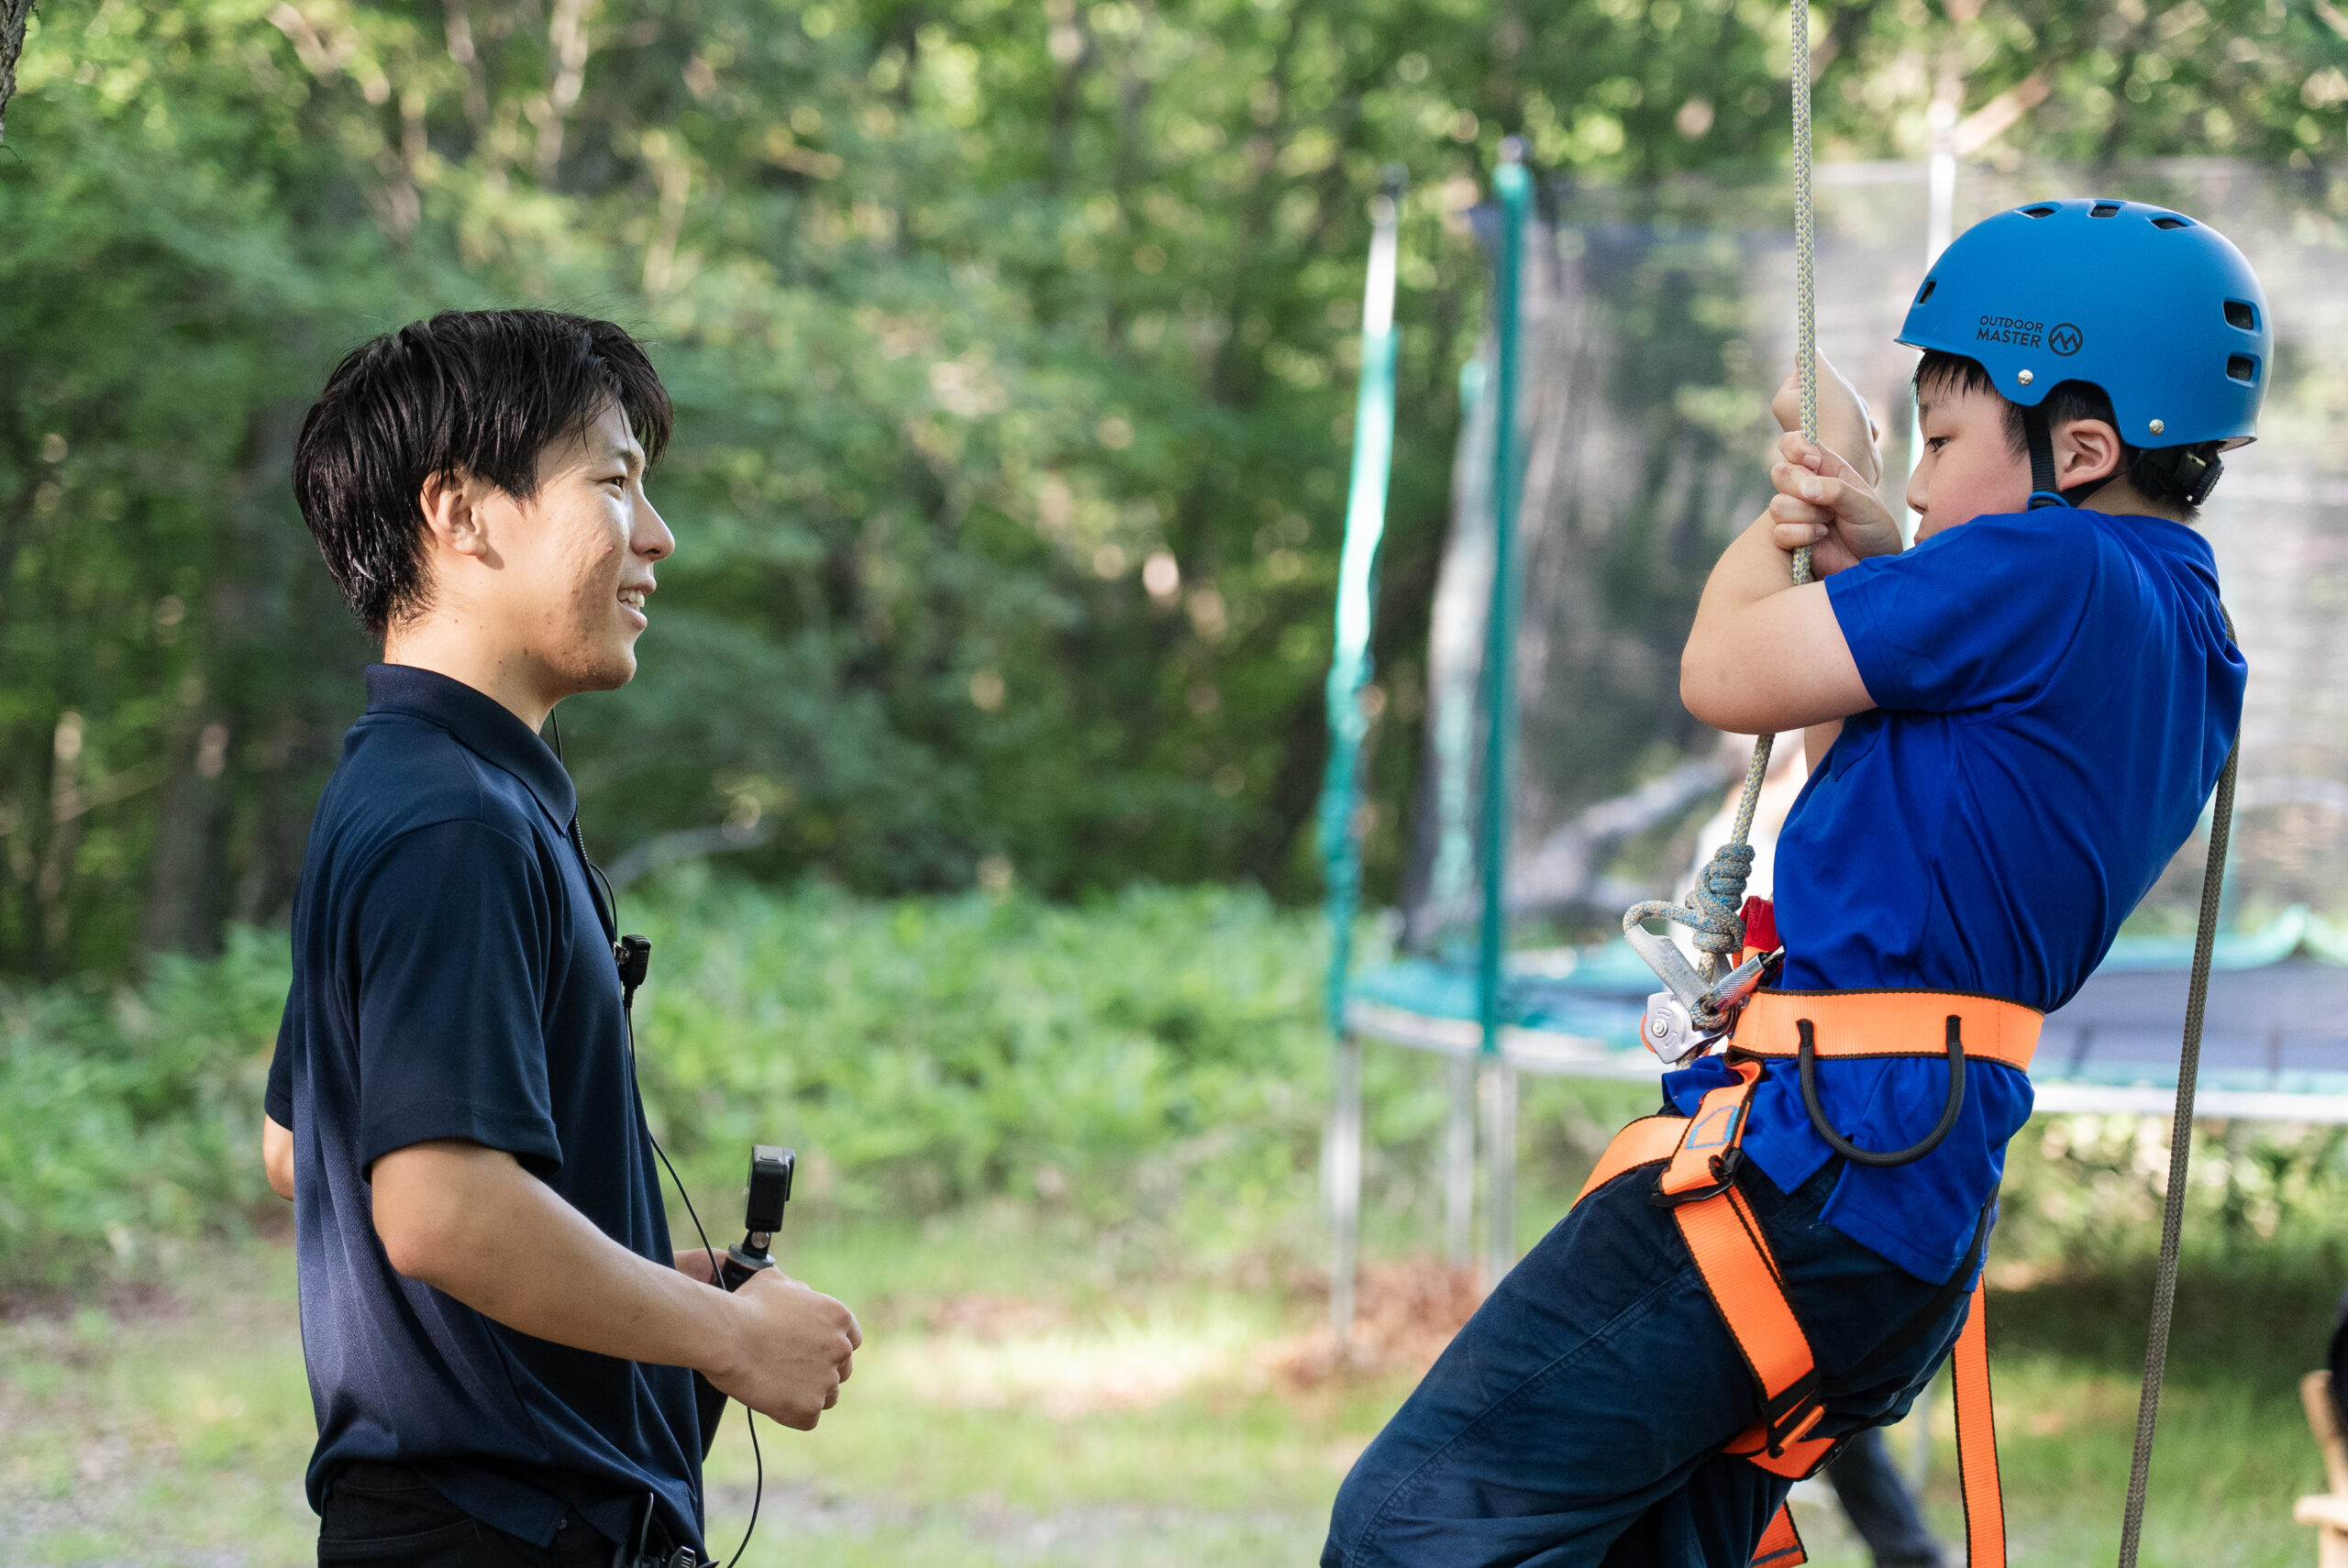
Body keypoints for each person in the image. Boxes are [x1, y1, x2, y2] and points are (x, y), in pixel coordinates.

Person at [1323, 197, 2262, 1566]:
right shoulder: (2178, 619)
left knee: (1414, 1525)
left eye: (1946, 442)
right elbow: (1875, 748)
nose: (1929, 490)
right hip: (1900, 1208)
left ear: (2082, 446)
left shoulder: (2039, 562)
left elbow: (1726, 673)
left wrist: (1798, 503)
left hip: (1813, 1156)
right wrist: (1870, 534)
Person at [259, 310, 861, 1568]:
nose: (657, 537)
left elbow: (301, 1148)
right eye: (615, 483)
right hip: (506, 1533)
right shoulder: (453, 820)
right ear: (461, 514)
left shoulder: (410, 779)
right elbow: (438, 1208)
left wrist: (632, 1269)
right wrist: (727, 1337)